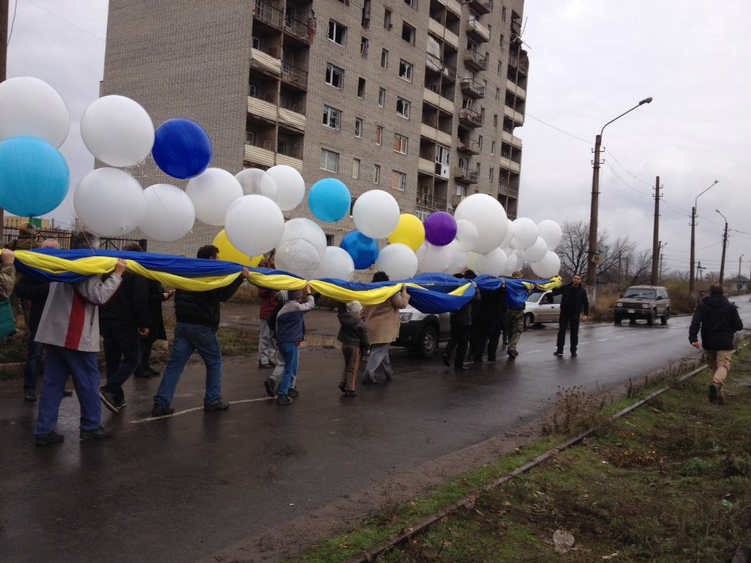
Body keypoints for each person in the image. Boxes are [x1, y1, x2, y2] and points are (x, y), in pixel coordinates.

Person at [33, 231, 126, 446]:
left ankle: (44, 430)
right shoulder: (85, 267)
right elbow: (98, 296)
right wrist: (117, 275)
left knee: (52, 384)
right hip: (73, 333)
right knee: (88, 382)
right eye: (99, 246)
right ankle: (91, 426)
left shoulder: (64, 262)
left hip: (54, 332)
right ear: (91, 248)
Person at [152, 245, 249, 416]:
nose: (219, 261)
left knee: (175, 366)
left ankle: (161, 403)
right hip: (202, 326)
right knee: (214, 362)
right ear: (211, 258)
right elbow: (222, 295)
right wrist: (240, 278)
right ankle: (212, 400)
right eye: (217, 258)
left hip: (182, 325)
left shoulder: (188, 271)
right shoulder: (208, 274)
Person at [99, 243, 151, 413]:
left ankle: (117, 398)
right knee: (134, 358)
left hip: (107, 320)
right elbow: (140, 300)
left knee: (113, 360)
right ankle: (110, 388)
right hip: (125, 321)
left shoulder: (110, 269)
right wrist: (144, 323)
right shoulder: (136, 272)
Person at [16, 239, 64, 401]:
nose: (49, 251)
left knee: (57, 357)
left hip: (58, 320)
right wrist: (47, 288)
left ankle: (56, 386)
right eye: (46, 248)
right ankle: (30, 388)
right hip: (40, 319)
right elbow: (21, 290)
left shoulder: (63, 268)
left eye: (52, 248)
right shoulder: (34, 268)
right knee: (35, 355)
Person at [689, 283, 743, 404]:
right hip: (725, 341)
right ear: (723, 292)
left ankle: (719, 397)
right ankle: (716, 384)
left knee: (714, 367)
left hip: (708, 341)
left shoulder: (702, 306)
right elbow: (739, 326)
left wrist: (693, 338)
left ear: (711, 292)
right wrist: (731, 329)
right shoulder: (730, 307)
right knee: (723, 365)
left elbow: (695, 323)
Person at [361, 272, 410, 385]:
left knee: (383, 352)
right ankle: (368, 375)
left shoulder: (370, 292)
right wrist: (404, 291)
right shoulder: (389, 292)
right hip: (384, 329)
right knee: (378, 352)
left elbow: (363, 311)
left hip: (371, 326)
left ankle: (389, 373)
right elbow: (402, 304)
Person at [274, 283, 315, 405]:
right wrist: (309, 291)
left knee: (290, 367)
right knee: (290, 369)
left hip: (281, 342)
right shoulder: (296, 307)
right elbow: (311, 304)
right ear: (297, 296)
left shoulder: (281, 310)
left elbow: (276, 329)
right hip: (291, 342)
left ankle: (283, 388)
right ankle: (282, 394)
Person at [135, 279, 174, 378]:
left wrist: (166, 295)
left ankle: (145, 365)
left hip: (153, 315)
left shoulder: (153, 280)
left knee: (149, 341)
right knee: (143, 342)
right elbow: (144, 298)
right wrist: (161, 296)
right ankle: (139, 368)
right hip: (147, 314)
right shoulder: (145, 281)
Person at [443, 271, 479, 370]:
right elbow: (477, 299)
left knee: (453, 338)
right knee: (463, 344)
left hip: (454, 319)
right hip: (465, 321)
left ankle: (447, 353)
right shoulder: (466, 291)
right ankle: (458, 365)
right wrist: (475, 288)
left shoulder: (453, 291)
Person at [337, 300, 370, 397]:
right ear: (357, 311)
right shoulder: (361, 324)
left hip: (345, 345)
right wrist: (367, 348)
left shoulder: (343, 318)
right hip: (355, 347)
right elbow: (364, 338)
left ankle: (343, 382)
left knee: (347, 365)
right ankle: (350, 388)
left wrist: (341, 299)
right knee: (353, 367)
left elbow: (340, 309)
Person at [551, 273, 589, 357]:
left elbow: (586, 303)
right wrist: (554, 284)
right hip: (564, 313)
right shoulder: (565, 287)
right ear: (572, 279)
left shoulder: (582, 291)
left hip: (575, 314)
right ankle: (559, 350)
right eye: (574, 278)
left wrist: (585, 314)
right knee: (561, 332)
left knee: (574, 333)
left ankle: (573, 350)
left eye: (578, 278)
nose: (576, 279)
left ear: (580, 281)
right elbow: (555, 293)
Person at [504, 273, 528, 360]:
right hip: (518, 310)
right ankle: (512, 348)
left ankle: (512, 348)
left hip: (508, 310)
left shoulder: (508, 284)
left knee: (510, 329)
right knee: (518, 330)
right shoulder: (522, 285)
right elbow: (526, 294)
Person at [257, 287, 279, 368]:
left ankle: (271, 358)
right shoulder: (265, 282)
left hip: (276, 313)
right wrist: (270, 287)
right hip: (267, 313)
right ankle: (263, 360)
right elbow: (261, 293)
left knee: (273, 338)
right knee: (265, 336)